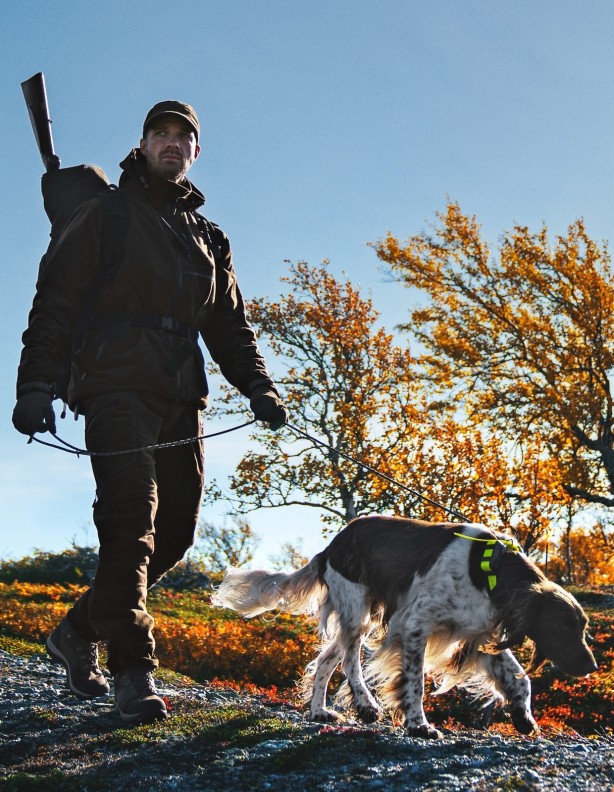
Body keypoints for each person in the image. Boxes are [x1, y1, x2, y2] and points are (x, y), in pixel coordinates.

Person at [12, 100, 288, 724]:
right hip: (112, 384)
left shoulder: (209, 237)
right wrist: (35, 386)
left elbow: (229, 326)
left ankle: (75, 632)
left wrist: (258, 387)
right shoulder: (106, 214)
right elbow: (55, 300)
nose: (170, 143)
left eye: (181, 137)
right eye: (159, 133)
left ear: (196, 152)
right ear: (141, 143)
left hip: (179, 393)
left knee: (176, 534)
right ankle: (134, 675)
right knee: (130, 520)